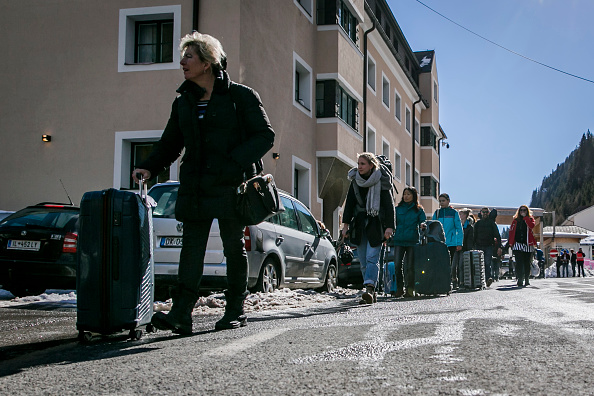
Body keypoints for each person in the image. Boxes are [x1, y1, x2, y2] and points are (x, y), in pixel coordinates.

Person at [132, 32, 275, 334]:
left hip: (231, 185)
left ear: (207, 63)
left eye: (189, 56)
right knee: (191, 250)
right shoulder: (183, 103)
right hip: (195, 186)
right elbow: (171, 143)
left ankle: (235, 310)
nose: (182, 62)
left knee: (233, 248)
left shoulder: (240, 96)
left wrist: (234, 162)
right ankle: (181, 314)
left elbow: (265, 135)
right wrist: (148, 167)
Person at [342, 153, 395, 304]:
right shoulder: (355, 181)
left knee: (372, 258)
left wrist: (389, 227)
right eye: (358, 163)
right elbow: (349, 205)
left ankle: (369, 288)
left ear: (371, 165)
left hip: (376, 224)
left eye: (363, 164)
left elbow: (389, 205)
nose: (359, 166)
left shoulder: (381, 180)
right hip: (359, 225)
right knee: (364, 261)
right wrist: (345, 226)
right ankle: (371, 290)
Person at [391, 187, 426, 297]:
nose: (406, 196)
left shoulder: (418, 210)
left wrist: (422, 225)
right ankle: (399, 289)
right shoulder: (397, 209)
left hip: (412, 241)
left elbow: (423, 220)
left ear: (414, 196)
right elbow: (392, 222)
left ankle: (410, 289)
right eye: (404, 194)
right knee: (397, 265)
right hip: (399, 240)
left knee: (410, 267)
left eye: (408, 194)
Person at [432, 193, 463, 288]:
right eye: (440, 201)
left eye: (443, 201)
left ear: (448, 201)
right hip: (439, 243)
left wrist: (459, 243)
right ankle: (443, 282)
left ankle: (451, 280)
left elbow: (459, 228)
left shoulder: (454, 213)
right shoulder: (437, 213)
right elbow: (432, 227)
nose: (441, 203)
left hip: (452, 243)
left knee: (451, 265)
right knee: (441, 263)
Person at [508, 205, 536, 287]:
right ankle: (520, 279)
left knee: (527, 262)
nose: (523, 212)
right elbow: (511, 231)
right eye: (521, 210)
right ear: (519, 212)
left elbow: (532, 226)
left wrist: (526, 218)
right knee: (519, 262)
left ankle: (526, 278)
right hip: (517, 243)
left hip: (527, 243)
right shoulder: (515, 220)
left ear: (527, 211)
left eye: (524, 210)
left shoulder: (530, 219)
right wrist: (511, 243)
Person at [473, 207, 502, 287]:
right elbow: (474, 236)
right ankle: (479, 281)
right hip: (478, 245)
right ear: (481, 213)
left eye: (486, 212)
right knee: (478, 264)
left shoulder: (492, 223)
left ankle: (487, 279)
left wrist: (499, 247)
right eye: (483, 212)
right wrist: (472, 246)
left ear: (488, 213)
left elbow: (497, 236)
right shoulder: (477, 223)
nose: (485, 213)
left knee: (487, 263)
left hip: (489, 246)